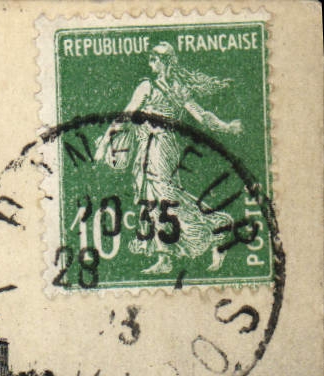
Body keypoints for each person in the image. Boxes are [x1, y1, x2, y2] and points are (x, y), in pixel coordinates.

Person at [97, 42, 244, 274]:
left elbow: (202, 117)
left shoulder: (173, 88)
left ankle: (217, 232)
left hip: (161, 148)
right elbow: (126, 115)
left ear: (165, 62)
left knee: (165, 197)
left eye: (155, 59)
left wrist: (226, 127)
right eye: (151, 59)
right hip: (148, 147)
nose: (151, 63)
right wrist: (106, 140)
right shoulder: (149, 86)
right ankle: (166, 257)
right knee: (153, 199)